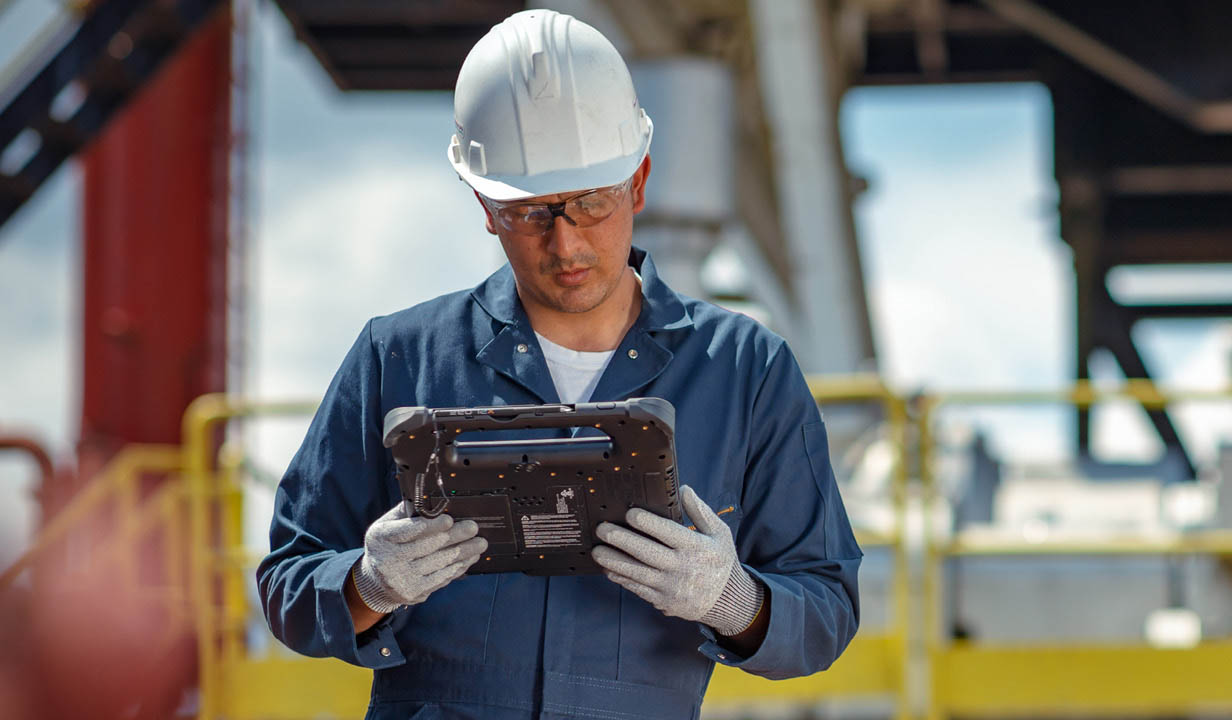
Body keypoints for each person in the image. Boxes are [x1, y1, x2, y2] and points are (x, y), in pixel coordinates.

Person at [257, 9, 861, 719]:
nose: (566, 243)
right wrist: (368, 584)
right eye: (532, 212)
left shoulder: (746, 371)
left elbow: (825, 608)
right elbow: (288, 584)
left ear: (638, 183)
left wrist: (731, 600)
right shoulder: (399, 356)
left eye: (590, 203)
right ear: (486, 205)